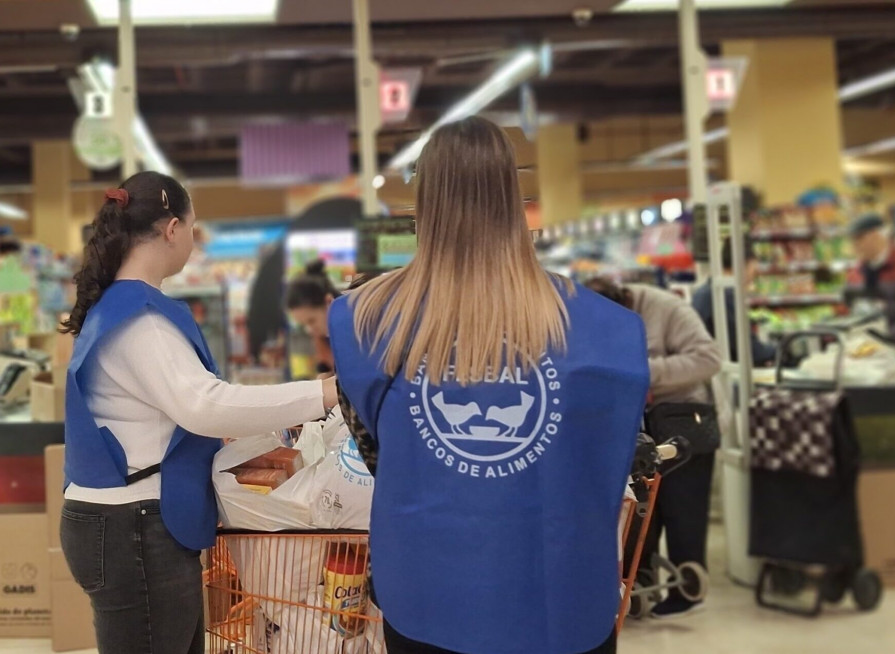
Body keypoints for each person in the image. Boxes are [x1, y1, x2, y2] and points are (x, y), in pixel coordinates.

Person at [329, 117, 650, 654]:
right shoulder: (607, 331)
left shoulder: (365, 322)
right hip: (559, 590)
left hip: (429, 591)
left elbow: (378, 452)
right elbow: (604, 462)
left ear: (424, 201)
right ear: (512, 194)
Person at [60, 171, 337, 654]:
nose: (192, 239)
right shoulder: (140, 319)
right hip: (134, 528)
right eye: (192, 228)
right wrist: (323, 395)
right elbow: (205, 404)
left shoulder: (122, 307)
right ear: (171, 229)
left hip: (128, 520)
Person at [585, 278, 722, 619]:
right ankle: (640, 579)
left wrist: (643, 371)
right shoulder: (596, 319)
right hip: (636, 425)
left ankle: (685, 587)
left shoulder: (669, 309)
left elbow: (708, 358)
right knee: (642, 508)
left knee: (684, 509)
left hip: (682, 420)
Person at [692, 239, 776, 366]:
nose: (752, 279)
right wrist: (780, 350)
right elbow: (751, 351)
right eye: (753, 271)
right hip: (726, 374)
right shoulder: (725, 296)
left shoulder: (705, 291)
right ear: (742, 265)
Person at [846, 213, 895, 342]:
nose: (855, 245)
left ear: (875, 236)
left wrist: (892, 335)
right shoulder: (859, 270)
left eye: (859, 239)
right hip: (877, 344)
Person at [286, 260, 341, 373]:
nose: (310, 330)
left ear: (328, 302)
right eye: (304, 325)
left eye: (312, 321)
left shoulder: (358, 331)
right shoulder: (325, 336)